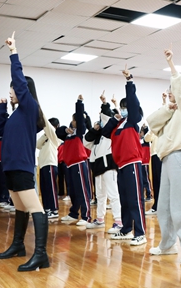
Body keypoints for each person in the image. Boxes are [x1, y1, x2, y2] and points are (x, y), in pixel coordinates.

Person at [0, 31, 50, 272]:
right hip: (10, 168)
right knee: (19, 207)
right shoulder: (17, 114)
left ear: (23, 90)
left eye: (13, 90)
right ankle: (18, 245)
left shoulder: (29, 107)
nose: (11, 91)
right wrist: (1, 108)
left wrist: (13, 53)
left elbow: (18, 80)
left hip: (23, 167)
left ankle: (41, 255)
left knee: (34, 207)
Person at [147, 45, 181, 264]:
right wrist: (167, 107)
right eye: (168, 88)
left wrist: (171, 65)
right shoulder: (169, 112)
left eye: (173, 88)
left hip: (180, 157)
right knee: (164, 206)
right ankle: (168, 244)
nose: (170, 91)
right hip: (166, 159)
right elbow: (152, 123)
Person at [101, 66, 147, 246]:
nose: (124, 109)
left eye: (125, 106)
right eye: (122, 107)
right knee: (125, 198)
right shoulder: (119, 123)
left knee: (135, 199)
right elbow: (105, 133)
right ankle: (127, 229)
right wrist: (115, 116)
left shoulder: (133, 121)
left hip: (133, 163)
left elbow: (133, 103)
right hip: (120, 165)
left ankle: (140, 233)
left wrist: (129, 81)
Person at [84, 91, 122, 232]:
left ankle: (118, 222)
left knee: (113, 194)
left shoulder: (109, 132)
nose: (100, 118)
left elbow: (107, 116)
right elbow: (85, 142)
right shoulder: (97, 136)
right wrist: (94, 130)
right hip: (98, 167)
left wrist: (105, 103)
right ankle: (100, 219)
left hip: (109, 166)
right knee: (100, 195)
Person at [58, 95, 91, 226]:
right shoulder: (69, 133)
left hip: (79, 164)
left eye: (74, 120)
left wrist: (79, 103)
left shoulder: (80, 132)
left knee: (82, 190)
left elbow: (80, 118)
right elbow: (58, 132)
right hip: (69, 165)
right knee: (73, 191)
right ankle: (73, 213)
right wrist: (66, 129)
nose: (72, 122)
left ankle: (86, 216)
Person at [36, 115, 60, 219]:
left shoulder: (55, 136)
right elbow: (37, 145)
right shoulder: (47, 137)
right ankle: (47, 208)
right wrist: (44, 135)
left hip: (51, 164)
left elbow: (50, 130)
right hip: (43, 165)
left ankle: (54, 210)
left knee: (51, 188)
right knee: (44, 188)